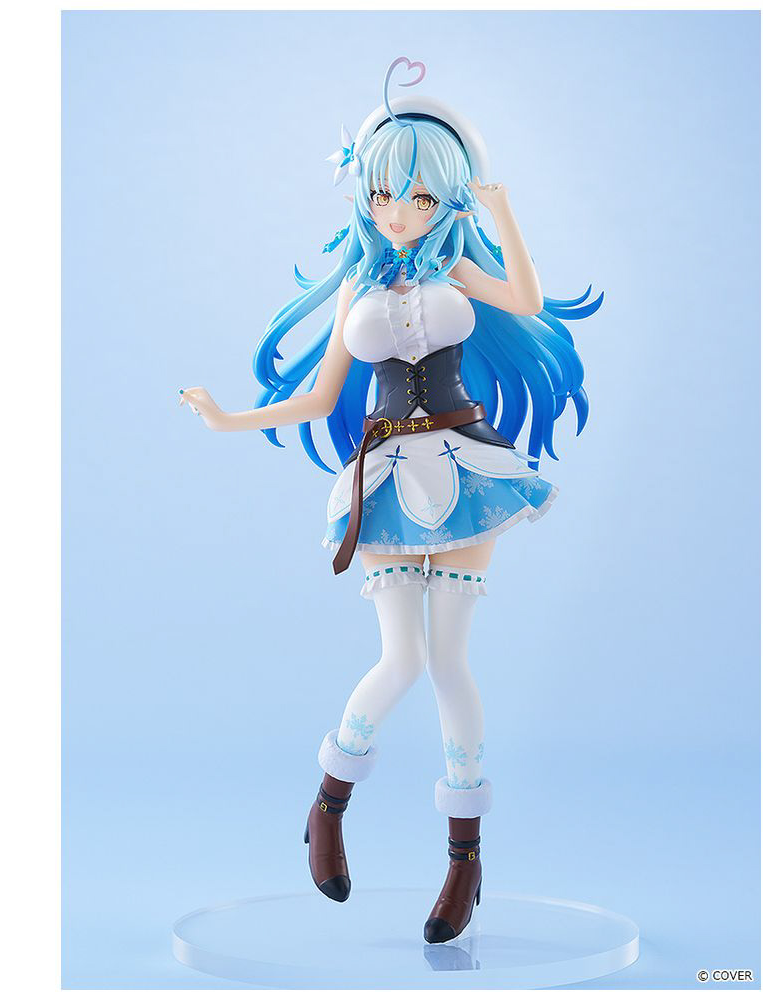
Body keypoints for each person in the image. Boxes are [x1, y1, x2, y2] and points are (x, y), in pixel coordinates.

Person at [179, 56, 602, 943]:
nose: (397, 211)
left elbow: (527, 298)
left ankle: (465, 860)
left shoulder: (461, 272)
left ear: (446, 200)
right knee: (401, 660)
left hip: (468, 470)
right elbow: (317, 396)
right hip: (382, 482)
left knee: (450, 664)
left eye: (417, 196)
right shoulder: (357, 288)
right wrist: (227, 419)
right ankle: (329, 803)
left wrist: (503, 210)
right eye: (382, 194)